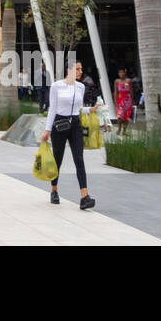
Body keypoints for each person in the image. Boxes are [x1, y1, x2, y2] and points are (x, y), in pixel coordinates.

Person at [41, 62, 95, 210]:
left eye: (81, 68)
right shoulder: (57, 86)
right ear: (68, 70)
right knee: (58, 159)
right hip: (60, 124)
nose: (80, 71)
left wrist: (91, 110)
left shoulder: (81, 87)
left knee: (79, 158)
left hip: (75, 125)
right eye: (77, 69)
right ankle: (54, 190)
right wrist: (47, 130)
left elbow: (79, 109)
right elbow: (52, 109)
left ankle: (84, 196)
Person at [114, 68, 133, 136]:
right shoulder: (117, 81)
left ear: (125, 72)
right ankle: (119, 128)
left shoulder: (129, 80)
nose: (121, 74)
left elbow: (131, 91)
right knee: (120, 116)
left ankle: (124, 130)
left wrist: (132, 101)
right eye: (119, 72)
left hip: (128, 100)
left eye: (122, 72)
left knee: (126, 116)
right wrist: (115, 101)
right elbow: (116, 92)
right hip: (120, 100)